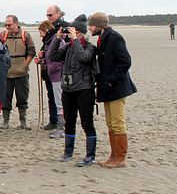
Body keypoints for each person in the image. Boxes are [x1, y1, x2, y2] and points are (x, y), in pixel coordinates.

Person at [88, 12, 137, 169]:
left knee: (117, 122)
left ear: (100, 25)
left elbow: (125, 61)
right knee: (110, 123)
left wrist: (111, 80)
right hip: (107, 88)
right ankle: (113, 155)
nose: (89, 28)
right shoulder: (103, 39)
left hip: (116, 88)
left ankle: (120, 158)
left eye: (92, 24)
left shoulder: (115, 37)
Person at [49, 14, 98, 167]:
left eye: (74, 32)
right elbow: (54, 56)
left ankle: (90, 155)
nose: (71, 35)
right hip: (68, 89)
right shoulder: (68, 47)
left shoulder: (90, 47)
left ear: (80, 33)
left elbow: (84, 58)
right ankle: (68, 153)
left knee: (86, 122)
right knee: (69, 121)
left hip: (84, 89)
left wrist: (75, 41)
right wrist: (57, 39)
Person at [1, 15, 36, 129]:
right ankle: (5, 121)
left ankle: (23, 121)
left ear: (16, 24)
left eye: (9, 25)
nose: (7, 27)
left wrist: (24, 65)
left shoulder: (25, 35)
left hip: (21, 73)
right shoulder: (3, 35)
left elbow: (31, 51)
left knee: (22, 97)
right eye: (6, 25)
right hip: (7, 73)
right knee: (5, 98)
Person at [34, 21, 66, 139]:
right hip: (53, 75)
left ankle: (62, 128)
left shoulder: (56, 41)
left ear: (46, 31)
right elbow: (50, 59)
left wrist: (50, 69)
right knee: (57, 101)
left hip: (57, 76)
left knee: (60, 102)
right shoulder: (49, 41)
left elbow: (58, 61)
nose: (40, 35)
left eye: (41, 32)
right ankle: (60, 127)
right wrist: (42, 61)